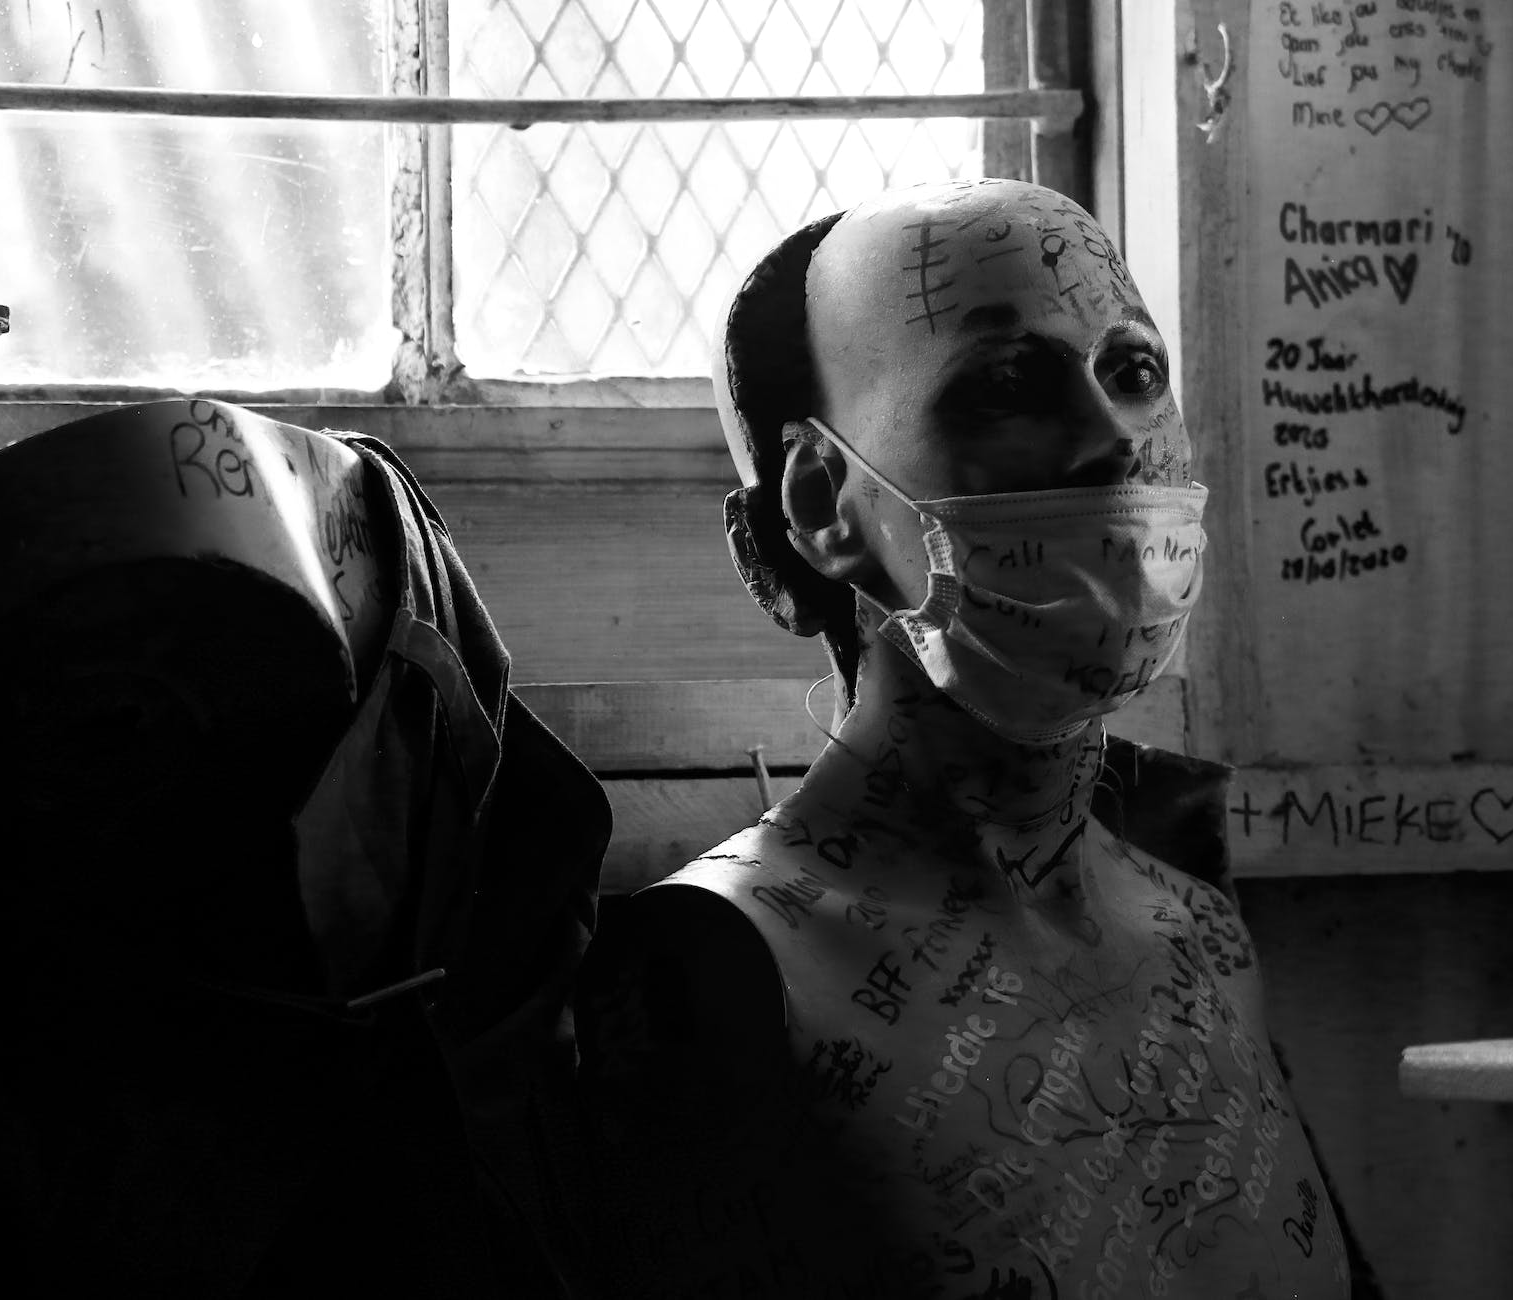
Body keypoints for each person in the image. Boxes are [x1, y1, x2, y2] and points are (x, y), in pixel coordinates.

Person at [574, 179, 1357, 1299]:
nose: (1114, 439)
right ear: (822, 501)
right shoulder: (717, 966)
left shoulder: (1200, 931)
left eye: (1134, 372)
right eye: (1004, 386)